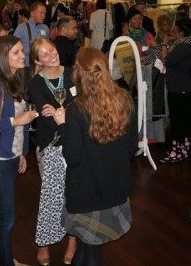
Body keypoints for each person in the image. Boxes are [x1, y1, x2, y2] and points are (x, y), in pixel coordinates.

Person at [50, 47, 138, 265]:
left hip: (87, 193)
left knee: (89, 250)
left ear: (79, 73)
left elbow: (73, 158)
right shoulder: (125, 100)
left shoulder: (77, 109)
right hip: (115, 188)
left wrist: (63, 127)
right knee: (89, 247)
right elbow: (131, 148)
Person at [0, 35, 36, 266]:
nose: (23, 55)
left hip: (11, 155)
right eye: (16, 52)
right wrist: (14, 120)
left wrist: (22, 152)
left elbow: (22, 126)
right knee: (8, 217)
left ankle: (0, 259)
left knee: (0, 215)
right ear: (3, 57)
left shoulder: (17, 79)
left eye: (22, 51)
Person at [28, 38, 77, 266]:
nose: (51, 55)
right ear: (37, 60)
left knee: (73, 194)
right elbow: (45, 118)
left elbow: (81, 106)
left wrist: (60, 112)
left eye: (52, 50)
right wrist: (64, 115)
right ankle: (44, 243)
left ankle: (73, 241)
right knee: (49, 198)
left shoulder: (73, 74)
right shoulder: (36, 83)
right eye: (44, 54)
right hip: (49, 147)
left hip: (74, 143)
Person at [160, 17, 191, 162]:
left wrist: (164, 43)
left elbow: (166, 60)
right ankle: (183, 150)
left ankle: (176, 152)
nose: (172, 33)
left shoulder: (182, 46)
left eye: (175, 31)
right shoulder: (187, 44)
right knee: (183, 121)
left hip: (179, 89)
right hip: (183, 88)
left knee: (178, 122)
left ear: (181, 33)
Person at [14, 2, 50, 67]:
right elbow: (13, 48)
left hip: (42, 66)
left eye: (45, 13)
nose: (43, 16)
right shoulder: (21, 28)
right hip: (26, 67)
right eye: (41, 13)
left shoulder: (45, 28)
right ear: (32, 13)